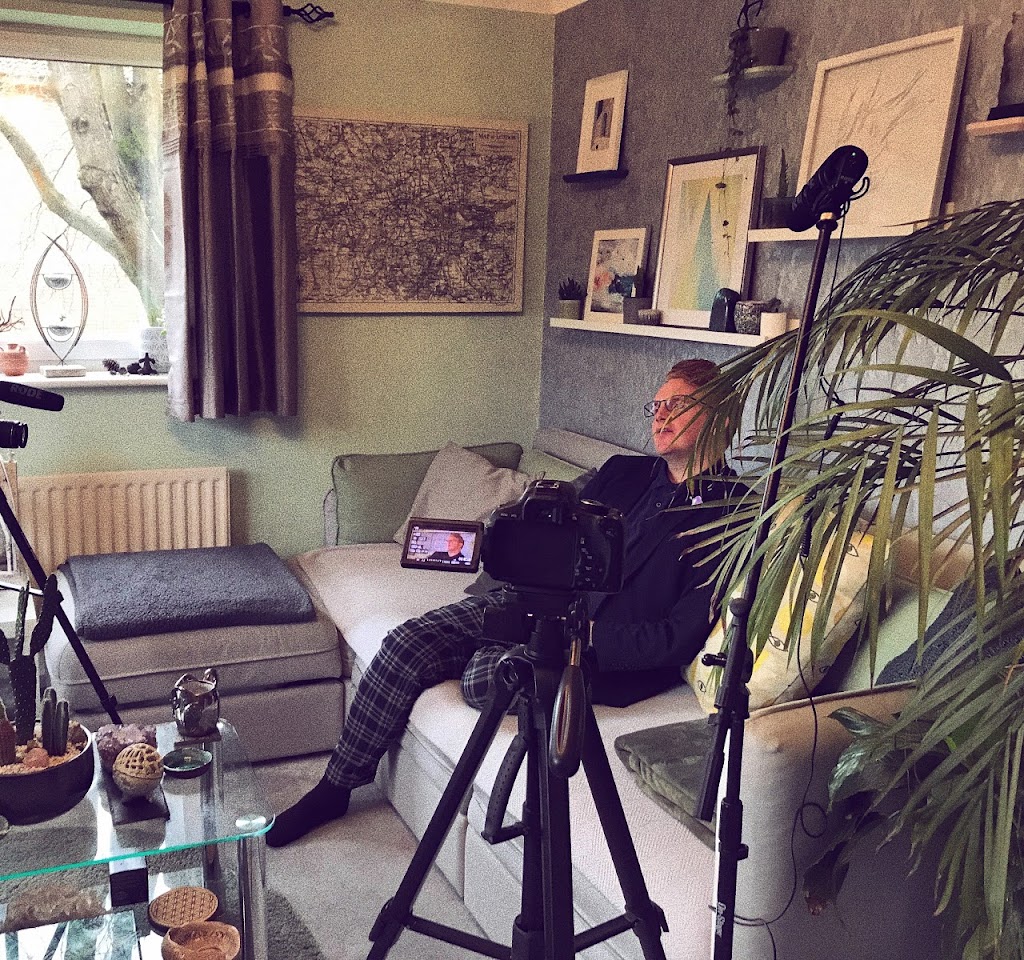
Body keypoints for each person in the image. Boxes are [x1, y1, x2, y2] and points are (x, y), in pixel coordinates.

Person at [267, 358, 744, 847]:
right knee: (407, 641)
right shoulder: (625, 472)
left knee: (482, 679)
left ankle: (482, 653)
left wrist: (582, 637)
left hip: (597, 651)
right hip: (535, 605)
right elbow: (550, 533)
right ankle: (335, 788)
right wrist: (497, 555)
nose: (660, 416)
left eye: (678, 404)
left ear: (722, 418)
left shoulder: (734, 513)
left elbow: (676, 637)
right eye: (656, 405)